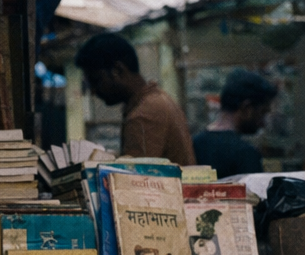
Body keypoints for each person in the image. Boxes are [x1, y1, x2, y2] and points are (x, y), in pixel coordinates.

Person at [75, 33, 195, 165]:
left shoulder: (144, 114)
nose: (93, 91)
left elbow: (134, 180)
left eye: (96, 81)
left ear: (118, 70)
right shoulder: (157, 99)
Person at [193, 69, 277, 178]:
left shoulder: (194, 144)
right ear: (247, 108)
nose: (263, 123)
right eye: (262, 113)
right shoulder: (245, 154)